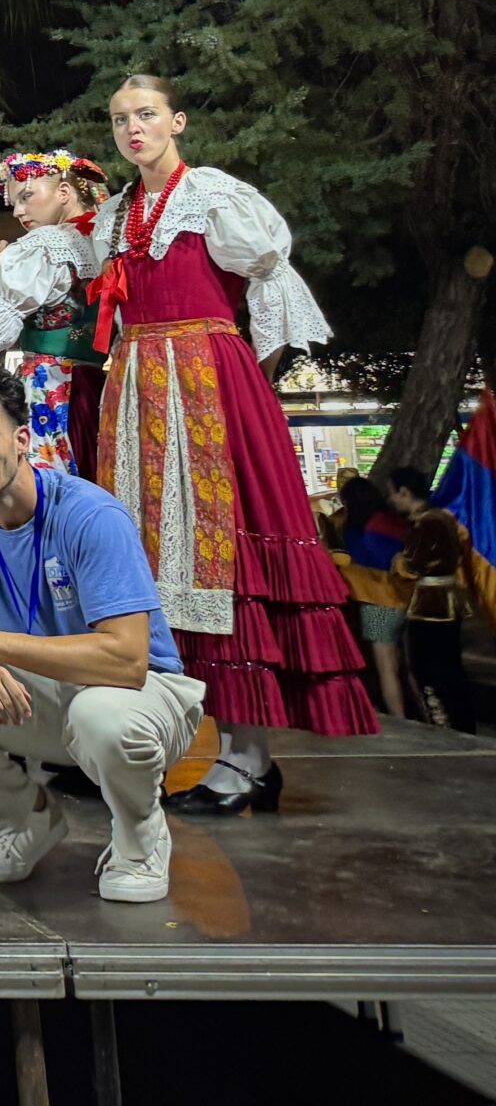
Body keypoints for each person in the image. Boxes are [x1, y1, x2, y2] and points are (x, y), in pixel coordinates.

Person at [92, 74, 374, 810]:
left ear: (176, 121)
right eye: (121, 119)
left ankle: (248, 758)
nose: (133, 129)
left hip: (206, 386)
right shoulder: (117, 213)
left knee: (222, 561)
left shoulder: (211, 194)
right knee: (154, 567)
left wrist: (240, 375)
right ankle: (155, 745)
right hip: (138, 393)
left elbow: (269, 269)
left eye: (146, 115)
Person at [0, 363, 207, 903]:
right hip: (35, 693)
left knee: (100, 715)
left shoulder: (90, 514)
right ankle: (23, 822)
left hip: (140, 698)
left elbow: (127, 660)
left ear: (22, 438)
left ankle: (141, 840)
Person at [0, 152, 109, 478]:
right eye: (13, 202)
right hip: (96, 384)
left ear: (64, 193)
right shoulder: (100, 240)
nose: (19, 211)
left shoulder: (43, 243)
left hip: (48, 384)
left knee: (42, 481)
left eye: (26, 196)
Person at [387, 467, 475, 733]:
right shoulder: (439, 519)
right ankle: (457, 723)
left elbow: (413, 564)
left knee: (432, 670)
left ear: (405, 492)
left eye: (393, 493)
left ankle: (447, 725)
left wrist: (399, 561)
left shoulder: (428, 522)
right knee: (447, 669)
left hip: (432, 606)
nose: (391, 499)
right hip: (443, 601)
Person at [332, 475, 412, 720]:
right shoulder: (395, 522)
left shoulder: (354, 528)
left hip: (376, 603)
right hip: (408, 600)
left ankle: (399, 719)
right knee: (405, 665)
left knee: (386, 667)